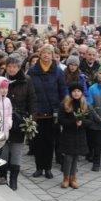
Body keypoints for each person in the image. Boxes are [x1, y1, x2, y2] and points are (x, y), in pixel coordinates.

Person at [28, 44, 67, 179]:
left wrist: (62, 107)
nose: (46, 55)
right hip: (37, 112)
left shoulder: (58, 71)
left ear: (52, 56)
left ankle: (48, 168)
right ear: (40, 55)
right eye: (44, 53)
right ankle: (39, 168)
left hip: (52, 112)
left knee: (50, 142)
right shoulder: (32, 71)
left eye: (49, 53)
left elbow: (63, 91)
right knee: (38, 142)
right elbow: (29, 91)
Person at [0, 54, 35, 191]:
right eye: (9, 66)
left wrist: (31, 120)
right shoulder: (1, 79)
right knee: (3, 150)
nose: (12, 69)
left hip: (20, 119)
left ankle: (13, 179)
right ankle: (2, 175)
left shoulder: (27, 80)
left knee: (16, 150)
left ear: (19, 67)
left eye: (15, 66)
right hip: (3, 119)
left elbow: (32, 100)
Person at [58, 84, 90, 188]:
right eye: (74, 91)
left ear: (82, 93)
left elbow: (90, 121)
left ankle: (73, 178)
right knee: (68, 157)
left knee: (76, 157)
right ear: (71, 92)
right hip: (68, 134)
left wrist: (82, 122)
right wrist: (73, 122)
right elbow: (61, 120)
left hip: (80, 134)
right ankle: (66, 178)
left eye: (78, 91)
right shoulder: (65, 104)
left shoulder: (85, 104)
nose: (76, 93)